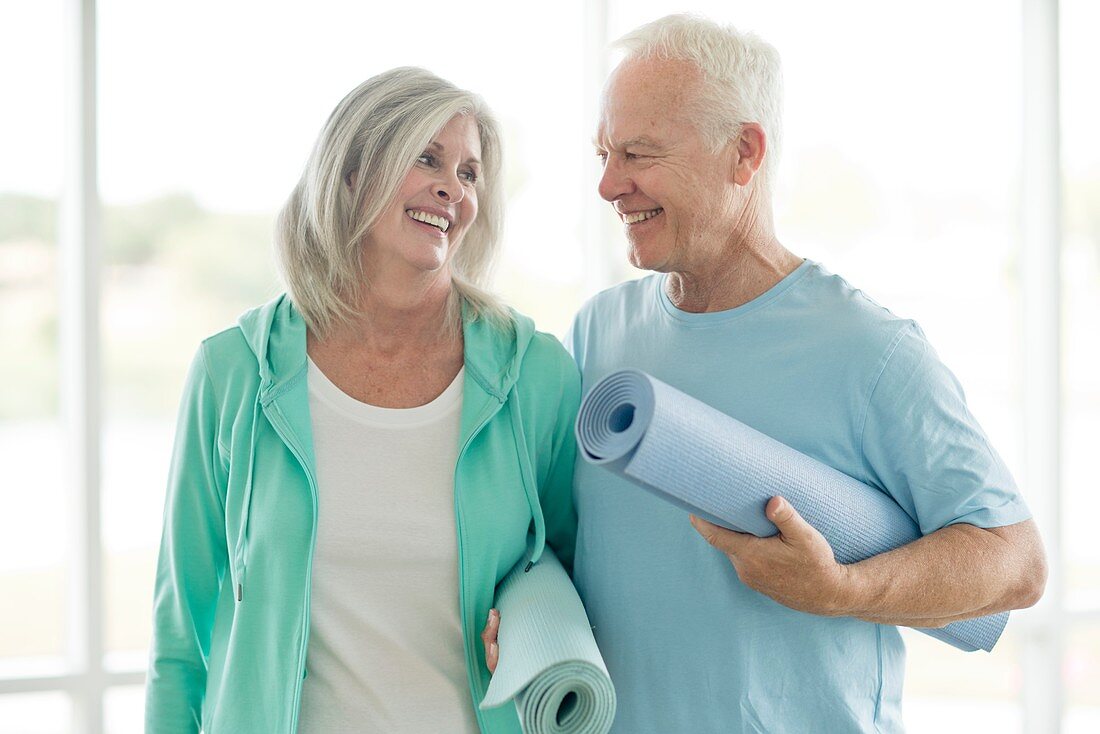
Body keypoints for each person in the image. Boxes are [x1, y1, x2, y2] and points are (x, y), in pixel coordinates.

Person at [568, 14, 1046, 733]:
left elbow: (1016, 564)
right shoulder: (598, 333)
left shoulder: (872, 352)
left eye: (637, 153)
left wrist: (844, 588)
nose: (609, 185)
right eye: (603, 153)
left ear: (744, 153)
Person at [145, 67, 580, 734]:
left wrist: (535, 629)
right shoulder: (230, 372)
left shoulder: (535, 375)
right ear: (351, 173)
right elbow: (180, 640)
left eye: (468, 173)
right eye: (425, 158)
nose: (451, 187)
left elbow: (577, 577)